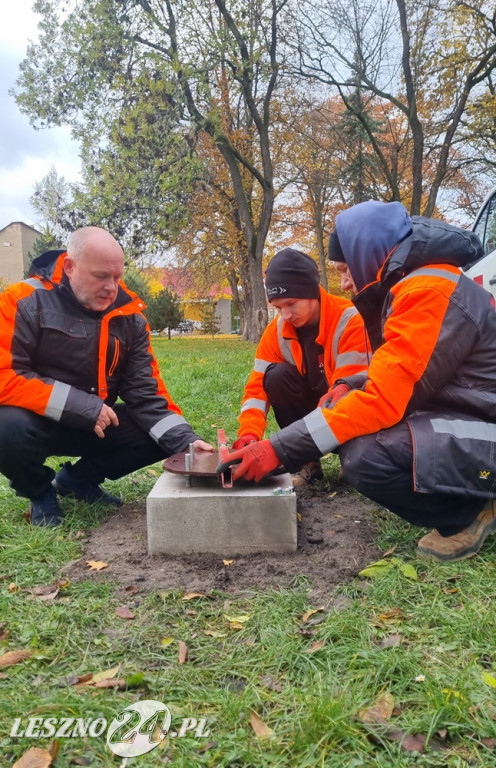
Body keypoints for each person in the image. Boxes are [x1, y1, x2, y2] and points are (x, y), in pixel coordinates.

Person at [221, 201, 496, 562]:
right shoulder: (416, 285)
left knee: (367, 457)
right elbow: (406, 367)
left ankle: (469, 512)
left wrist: (278, 449)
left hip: (483, 429)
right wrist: (350, 384)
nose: (345, 281)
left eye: (345, 269)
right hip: (470, 417)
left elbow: (382, 400)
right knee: (363, 444)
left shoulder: (425, 292)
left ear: (370, 254)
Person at [0, 226, 211, 527]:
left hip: (95, 424)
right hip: (38, 421)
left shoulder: (130, 318)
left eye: (117, 277)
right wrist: (81, 406)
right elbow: (5, 375)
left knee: (157, 433)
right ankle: (39, 492)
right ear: (70, 267)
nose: (112, 287)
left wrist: (188, 443)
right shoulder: (23, 300)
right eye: (101, 276)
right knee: (5, 427)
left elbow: (147, 396)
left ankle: (77, 480)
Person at [233, 247, 368, 486]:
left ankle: (351, 456)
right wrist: (249, 434)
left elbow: (347, 398)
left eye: (291, 304)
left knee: (359, 467)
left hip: (346, 415)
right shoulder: (275, 331)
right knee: (274, 376)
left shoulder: (350, 321)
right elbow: (256, 391)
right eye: (277, 307)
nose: (284, 315)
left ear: (312, 293)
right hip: (309, 414)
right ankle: (308, 463)